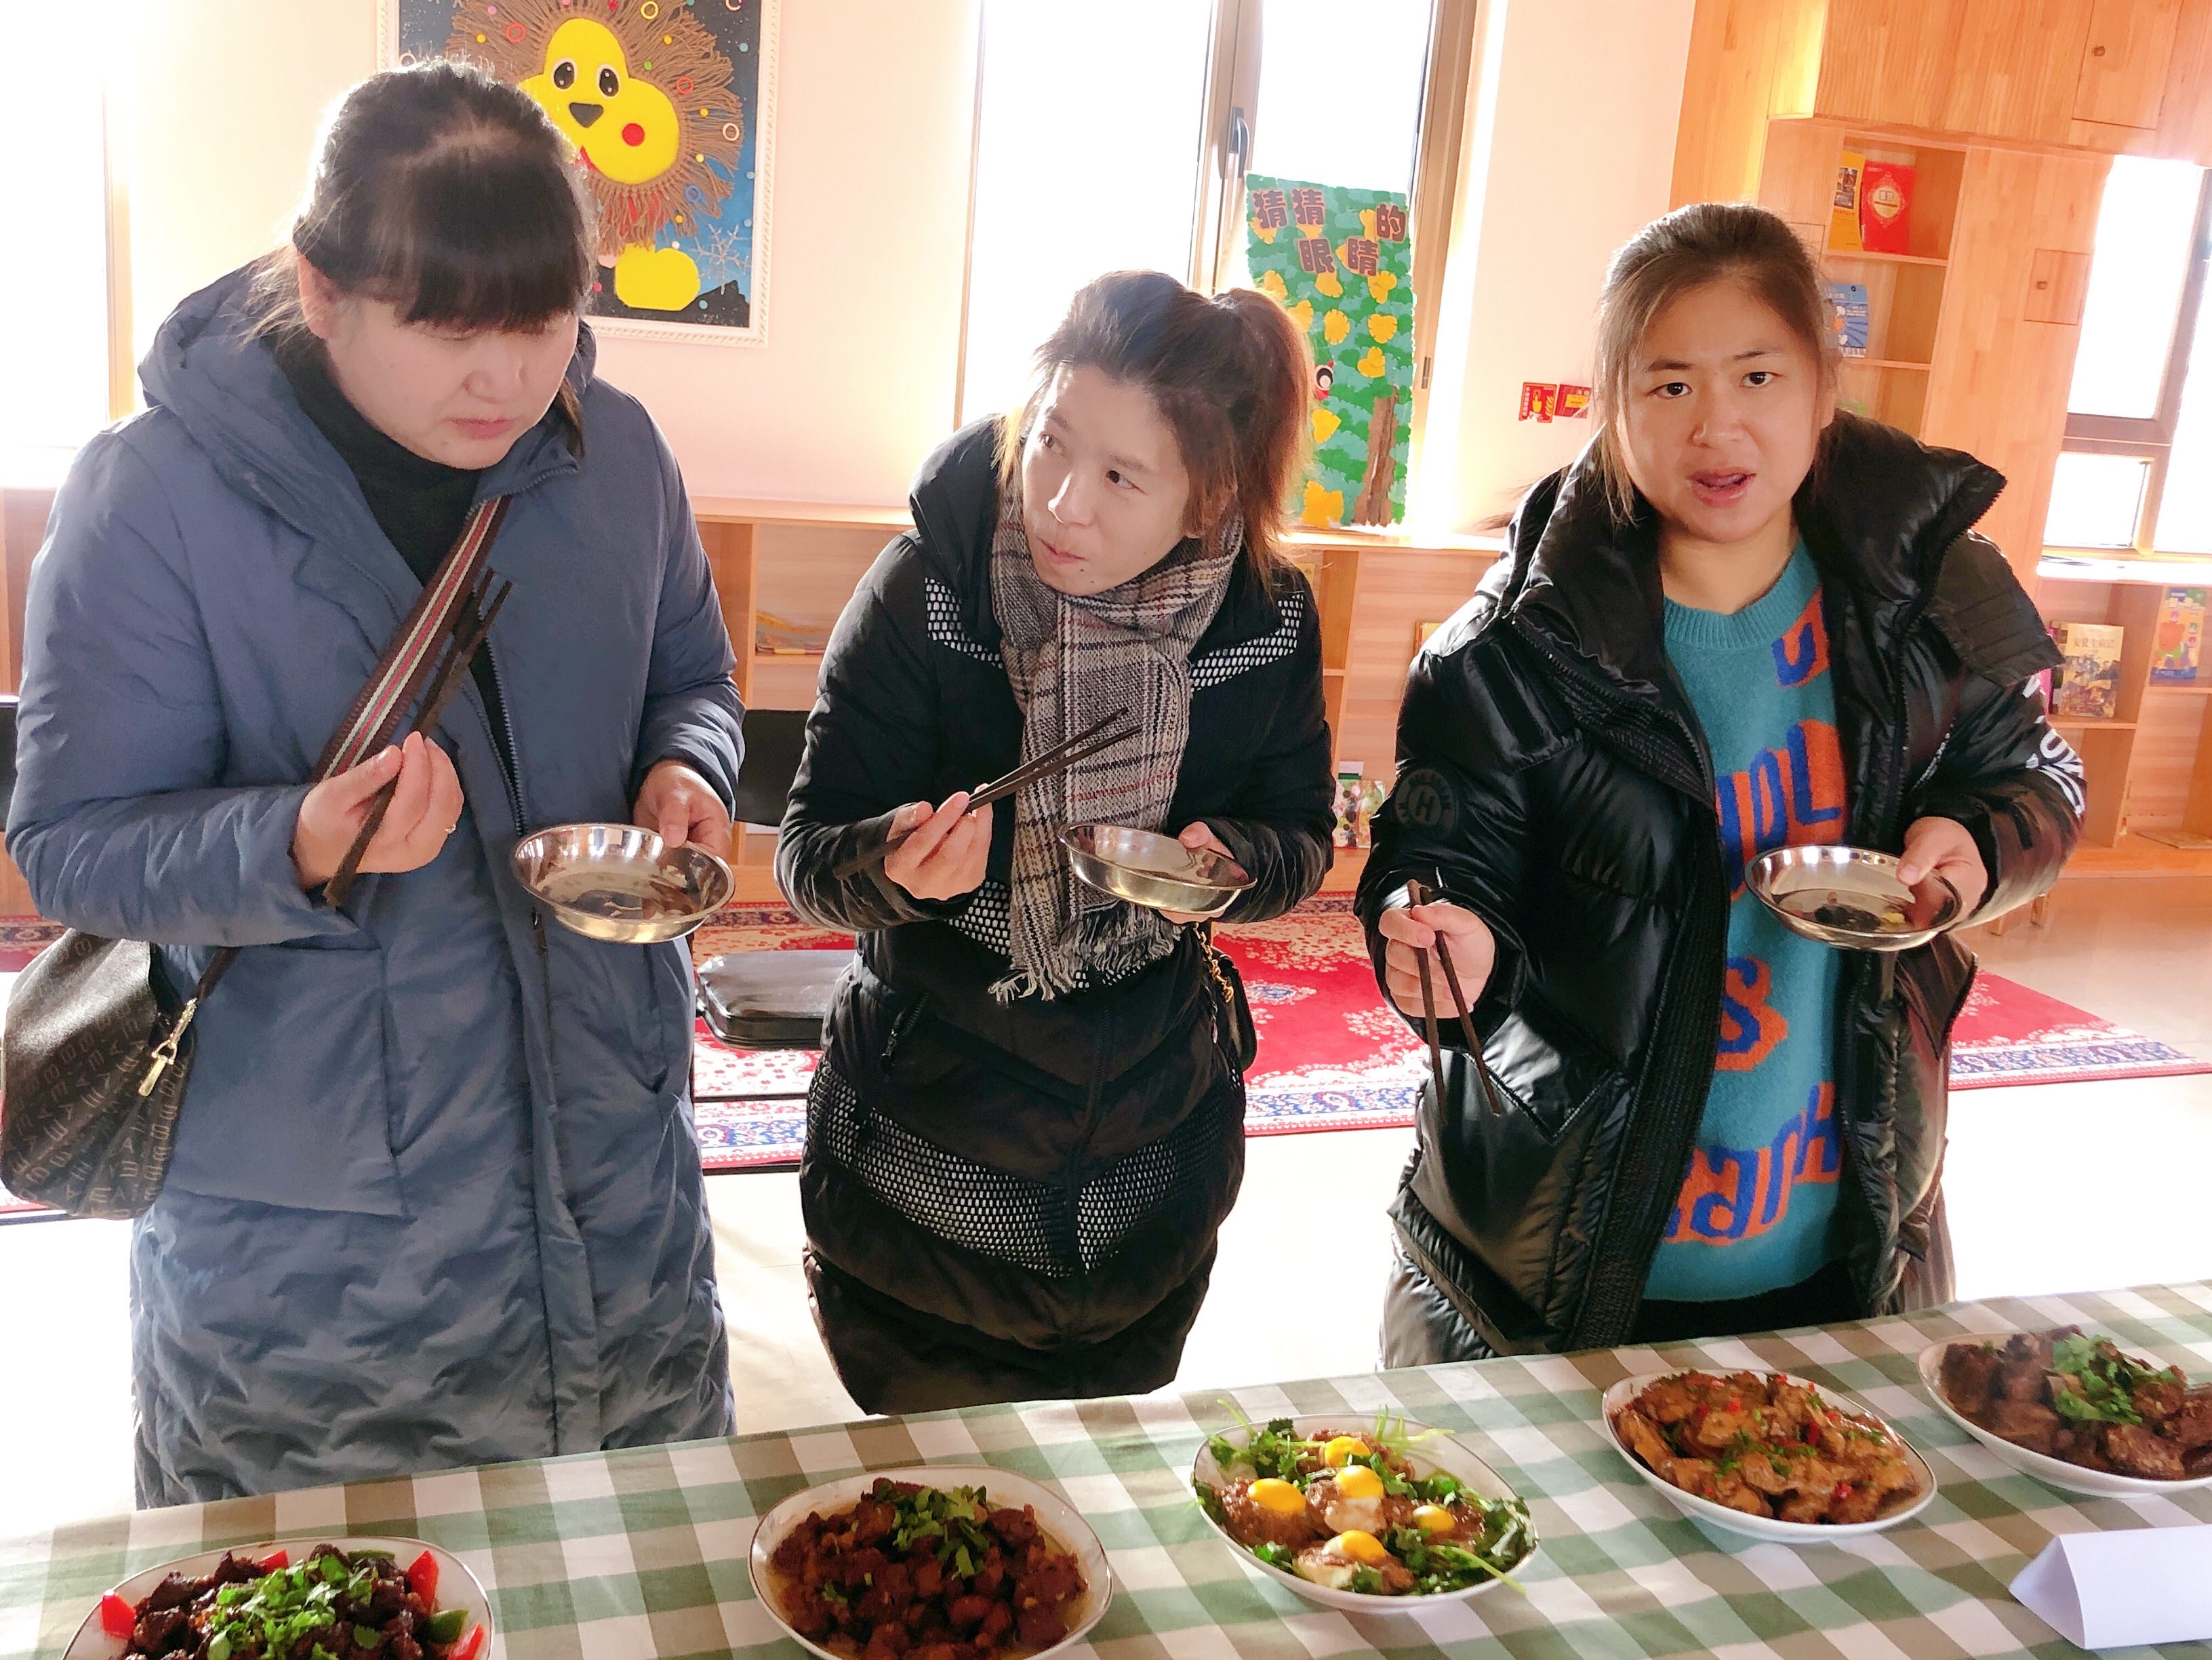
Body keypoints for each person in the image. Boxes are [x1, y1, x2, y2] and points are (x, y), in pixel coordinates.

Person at [9, 62, 743, 1503]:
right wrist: (287, 842)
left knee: (637, 1579)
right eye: (448, 326)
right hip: (318, 1268)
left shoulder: (617, 456)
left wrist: (686, 766)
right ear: (322, 285)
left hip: (618, 1192)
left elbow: (695, 674)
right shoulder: (151, 498)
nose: (507, 378)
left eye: (545, 321)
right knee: (334, 1593)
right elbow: (71, 847)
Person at [1358, 203, 2085, 1362]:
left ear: (1821, 392)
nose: (1719, 426)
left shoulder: (1929, 598)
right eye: (1670, 386)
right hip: (1559, 1264)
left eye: (1756, 375)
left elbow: (2036, 768)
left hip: (1845, 1249)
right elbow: (1441, 854)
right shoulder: (1511, 645)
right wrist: (1443, 937)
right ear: (1614, 409)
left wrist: (1981, 841)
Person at [777, 271, 1334, 1412]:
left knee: (1097, 1515)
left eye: (1124, 476)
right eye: (1051, 444)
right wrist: (888, 868)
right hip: (922, 1174)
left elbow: (1303, 836)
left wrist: (1228, 871)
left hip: (1152, 1169)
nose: (1063, 503)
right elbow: (805, 853)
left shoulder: (1266, 616)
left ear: (1208, 499)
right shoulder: (933, 590)